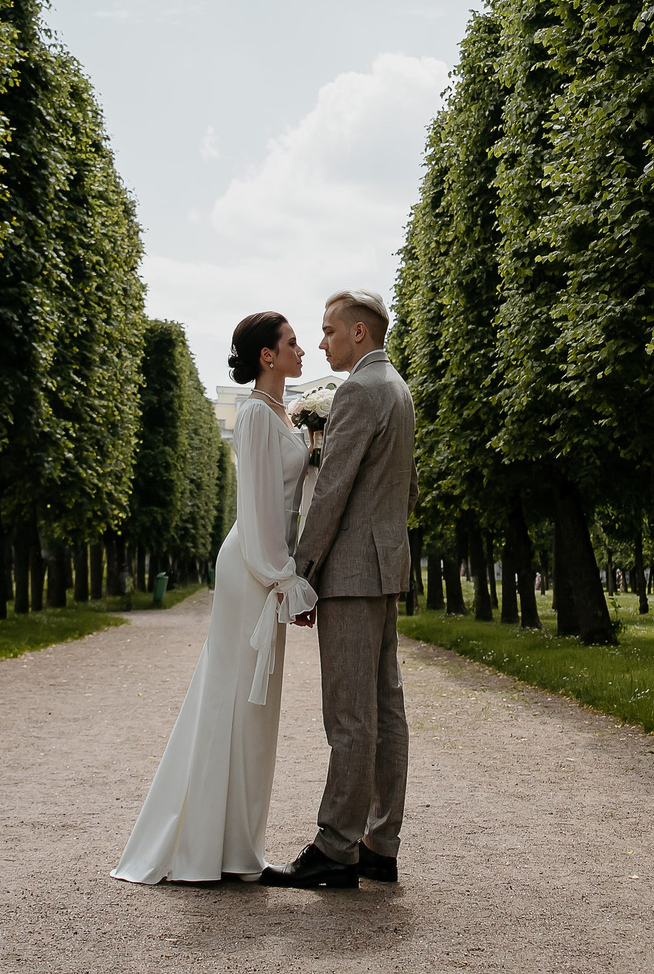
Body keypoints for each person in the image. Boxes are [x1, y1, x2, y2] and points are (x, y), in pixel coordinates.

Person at [111, 311, 318, 884]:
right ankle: (212, 849)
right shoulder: (254, 414)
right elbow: (255, 509)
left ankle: (237, 847)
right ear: (266, 357)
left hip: (266, 565)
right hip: (252, 567)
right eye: (292, 343)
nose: (302, 350)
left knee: (255, 706)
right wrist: (282, 576)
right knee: (234, 699)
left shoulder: (284, 414)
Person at [260, 289, 416, 890]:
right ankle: (380, 842)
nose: (321, 342)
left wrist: (303, 571)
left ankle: (335, 847)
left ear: (359, 333)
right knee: (384, 708)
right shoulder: (396, 389)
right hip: (384, 568)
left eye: (328, 331)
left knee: (349, 713)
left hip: (351, 574)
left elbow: (331, 493)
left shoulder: (358, 390)